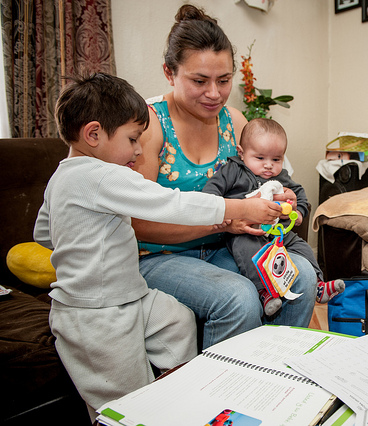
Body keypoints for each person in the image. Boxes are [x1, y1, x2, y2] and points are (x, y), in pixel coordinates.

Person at [33, 73, 282, 419]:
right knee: (126, 407)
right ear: (93, 135)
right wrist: (239, 207)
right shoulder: (100, 174)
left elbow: (43, 232)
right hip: (95, 314)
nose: (138, 149)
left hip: (132, 295)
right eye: (133, 139)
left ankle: (177, 397)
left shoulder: (62, 177)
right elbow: (172, 204)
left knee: (177, 320)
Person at [132, 4, 317, 350]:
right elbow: (136, 221)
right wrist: (226, 220)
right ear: (169, 73)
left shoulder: (234, 119)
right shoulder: (149, 124)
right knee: (239, 296)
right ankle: (221, 397)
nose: (215, 93)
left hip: (223, 249)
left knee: (302, 276)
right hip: (160, 256)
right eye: (199, 81)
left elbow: (264, 180)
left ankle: (278, 376)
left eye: (224, 79)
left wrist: (281, 200)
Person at [202, 118, 345, 316]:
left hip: (278, 232)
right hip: (248, 232)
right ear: (241, 153)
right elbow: (211, 192)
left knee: (301, 246)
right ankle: (263, 291)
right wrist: (222, 214)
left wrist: (300, 212)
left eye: (276, 160)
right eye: (260, 158)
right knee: (246, 249)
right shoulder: (233, 170)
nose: (268, 166)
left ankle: (318, 285)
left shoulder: (280, 176)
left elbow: (299, 192)